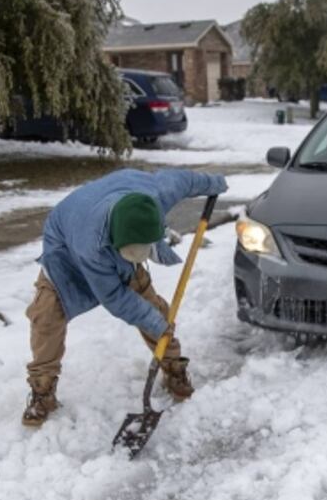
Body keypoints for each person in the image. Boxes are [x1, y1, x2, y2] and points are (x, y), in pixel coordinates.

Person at [22, 168, 227, 426]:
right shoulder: (91, 246)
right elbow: (115, 298)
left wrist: (213, 183)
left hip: (116, 238)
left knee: (154, 310)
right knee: (46, 318)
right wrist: (153, 322)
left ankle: (173, 366)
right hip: (65, 256)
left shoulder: (152, 196)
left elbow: (185, 180)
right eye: (130, 255)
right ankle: (42, 391)